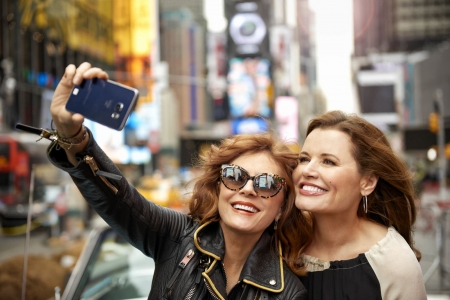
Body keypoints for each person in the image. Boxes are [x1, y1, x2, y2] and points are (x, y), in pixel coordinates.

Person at [46, 62, 309, 299]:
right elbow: (119, 198)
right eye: (235, 176)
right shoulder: (178, 237)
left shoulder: (288, 293)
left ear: (282, 207)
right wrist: (72, 134)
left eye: (266, 184)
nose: (248, 189)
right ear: (218, 188)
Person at [293, 110, 427, 300]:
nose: (307, 170)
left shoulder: (393, 260)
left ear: (367, 182)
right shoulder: (283, 240)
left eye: (328, 161)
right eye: (304, 159)